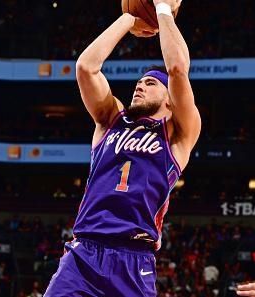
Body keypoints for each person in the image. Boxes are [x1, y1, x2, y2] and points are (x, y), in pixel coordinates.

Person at [43, 0, 201, 296]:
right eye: (138, 82)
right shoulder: (111, 118)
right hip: (84, 253)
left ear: (170, 100)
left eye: (150, 83)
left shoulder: (178, 134)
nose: (139, 86)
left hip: (134, 257)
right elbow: (86, 67)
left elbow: (178, 67)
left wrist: (162, 8)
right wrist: (128, 18)